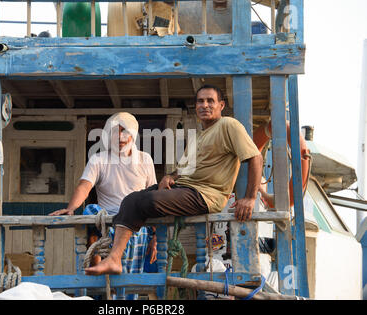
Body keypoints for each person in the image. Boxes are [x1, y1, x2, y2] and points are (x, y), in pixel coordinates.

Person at [85, 84, 264, 276]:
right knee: (130, 199)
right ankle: (114, 259)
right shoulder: (199, 136)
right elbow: (183, 169)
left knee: (148, 201)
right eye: (200, 101)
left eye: (210, 101)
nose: (205, 105)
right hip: (184, 188)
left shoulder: (229, 125)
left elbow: (255, 157)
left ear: (221, 105)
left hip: (205, 195)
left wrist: (250, 198)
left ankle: (116, 258)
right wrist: (170, 177)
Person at [49, 112, 158, 298]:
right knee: (90, 210)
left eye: (125, 132)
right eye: (115, 132)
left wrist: (155, 237)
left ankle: (112, 273)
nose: (120, 137)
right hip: (107, 222)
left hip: (136, 226)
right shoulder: (98, 159)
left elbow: (153, 197)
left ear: (133, 134)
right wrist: (71, 208)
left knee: (128, 286)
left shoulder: (144, 159)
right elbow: (85, 185)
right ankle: (102, 261)